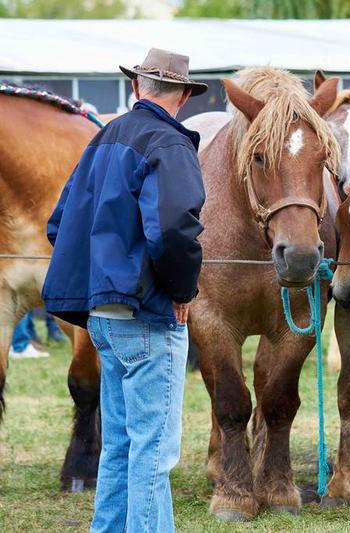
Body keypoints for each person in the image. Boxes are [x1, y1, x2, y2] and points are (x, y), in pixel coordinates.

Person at [41, 48, 207, 533]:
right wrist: (182, 289)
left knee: (118, 447)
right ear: (182, 95)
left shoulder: (102, 138)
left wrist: (105, 265)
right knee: (153, 453)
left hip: (103, 321)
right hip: (148, 317)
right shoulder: (169, 142)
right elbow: (173, 230)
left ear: (138, 87)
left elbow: (60, 225)